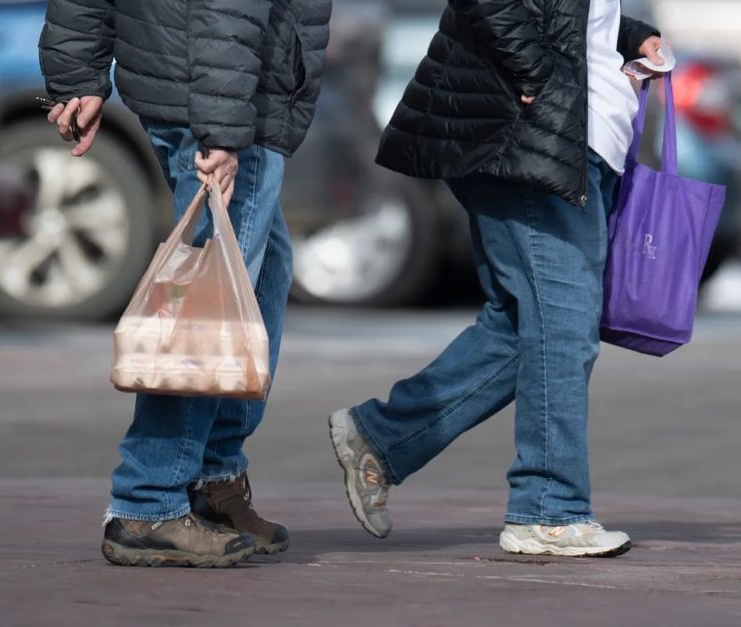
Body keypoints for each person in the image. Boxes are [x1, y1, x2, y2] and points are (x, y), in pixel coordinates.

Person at [329, 0, 666, 557]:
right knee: (561, 326)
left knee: (521, 327)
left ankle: (383, 438)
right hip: (531, 133)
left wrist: (630, 35)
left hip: (573, 137)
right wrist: (535, 71)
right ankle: (547, 510)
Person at [39, 0, 331, 567]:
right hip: (223, 97)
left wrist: (78, 71)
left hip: (214, 82)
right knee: (209, 311)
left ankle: (211, 481)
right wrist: (222, 131)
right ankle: (147, 502)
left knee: (258, 282)